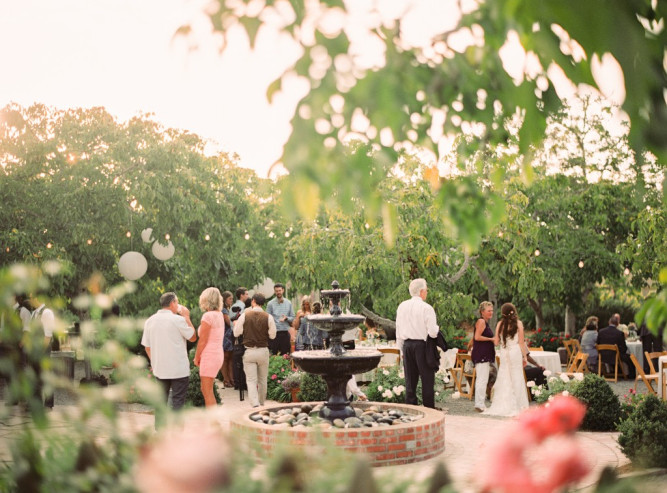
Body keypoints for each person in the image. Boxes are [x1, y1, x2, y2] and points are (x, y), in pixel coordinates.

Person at [141, 292, 197, 426]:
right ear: (172, 303)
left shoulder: (150, 321)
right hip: (179, 369)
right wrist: (187, 316)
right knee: (178, 402)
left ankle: (160, 431)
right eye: (177, 302)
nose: (178, 305)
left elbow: (147, 347)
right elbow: (193, 337)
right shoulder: (178, 320)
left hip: (160, 369)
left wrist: (154, 362)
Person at [395, 278, 439, 408]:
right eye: (425, 290)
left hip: (407, 345)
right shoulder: (427, 308)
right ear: (421, 291)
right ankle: (429, 411)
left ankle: (410, 410)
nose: (426, 293)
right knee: (427, 381)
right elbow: (432, 333)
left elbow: (398, 329)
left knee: (410, 381)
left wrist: (401, 349)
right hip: (422, 346)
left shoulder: (402, 306)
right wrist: (437, 329)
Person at [484, 302, 529, 417]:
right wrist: (524, 357)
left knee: (504, 375)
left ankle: (503, 404)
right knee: (517, 376)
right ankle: (519, 405)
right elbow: (521, 343)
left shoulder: (500, 324)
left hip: (504, 352)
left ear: (503, 313)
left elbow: (496, 342)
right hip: (515, 352)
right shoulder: (519, 324)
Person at [233, 293, 276, 407]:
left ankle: (255, 403)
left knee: (251, 380)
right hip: (263, 350)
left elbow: (236, 333)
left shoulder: (244, 315)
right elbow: (272, 336)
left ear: (253, 301)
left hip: (249, 351)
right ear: (263, 303)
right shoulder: (268, 317)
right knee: (263, 379)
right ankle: (262, 401)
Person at [193, 287, 225, 407]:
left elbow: (203, 341)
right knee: (207, 390)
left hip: (209, 354)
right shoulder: (219, 314)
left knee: (207, 391)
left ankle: (213, 422)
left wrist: (196, 357)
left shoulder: (208, 316)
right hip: (217, 353)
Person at [26, 295, 56, 410]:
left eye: (31, 297)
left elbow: (47, 336)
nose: (30, 300)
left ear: (38, 298)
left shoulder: (46, 312)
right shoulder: (34, 313)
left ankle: (48, 405)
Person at [471, 301, 496, 412]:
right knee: (482, 379)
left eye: (492, 310)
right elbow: (477, 337)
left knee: (483, 379)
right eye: (489, 310)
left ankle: (480, 403)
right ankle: (479, 404)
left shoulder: (485, 322)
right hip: (481, 354)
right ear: (482, 312)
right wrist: (491, 339)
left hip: (483, 354)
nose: (491, 312)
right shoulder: (481, 321)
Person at [597, 314, 635, 379]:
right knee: (630, 358)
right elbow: (624, 348)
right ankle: (631, 376)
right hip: (615, 356)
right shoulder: (619, 333)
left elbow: (597, 343)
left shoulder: (601, 332)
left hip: (602, 356)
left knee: (620, 355)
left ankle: (615, 372)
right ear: (617, 324)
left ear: (609, 322)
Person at [266, 283, 294, 355]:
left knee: (286, 355)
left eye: (279, 290)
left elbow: (293, 317)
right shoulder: (270, 304)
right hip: (274, 333)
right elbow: (267, 318)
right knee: (272, 355)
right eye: (276, 291)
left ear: (283, 290)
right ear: (275, 292)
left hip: (285, 333)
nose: (278, 292)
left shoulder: (288, 303)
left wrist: (286, 318)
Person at [221, 291, 235, 388]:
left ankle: (231, 379)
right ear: (225, 299)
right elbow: (229, 323)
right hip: (225, 337)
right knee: (225, 358)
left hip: (230, 336)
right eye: (230, 298)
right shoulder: (223, 310)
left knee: (230, 358)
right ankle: (226, 379)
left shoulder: (228, 309)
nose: (231, 300)